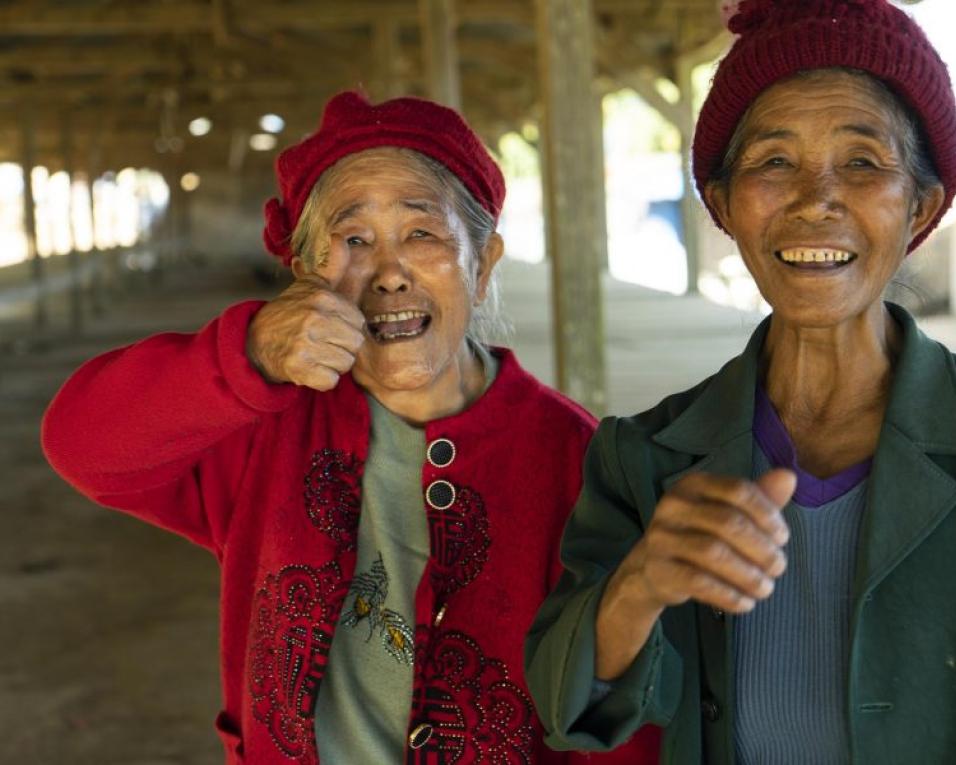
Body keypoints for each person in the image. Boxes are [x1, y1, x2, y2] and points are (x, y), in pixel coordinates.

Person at [41, 92, 659, 764]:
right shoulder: (262, 425)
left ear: (481, 266)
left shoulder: (575, 457)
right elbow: (82, 444)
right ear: (307, 277)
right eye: (354, 240)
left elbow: (621, 720)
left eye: (422, 234)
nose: (389, 275)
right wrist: (245, 354)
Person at [525, 1, 956, 763]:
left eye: (861, 162)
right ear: (722, 205)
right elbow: (567, 709)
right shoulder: (645, 454)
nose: (815, 198)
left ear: (922, 205)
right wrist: (642, 581)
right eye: (773, 162)